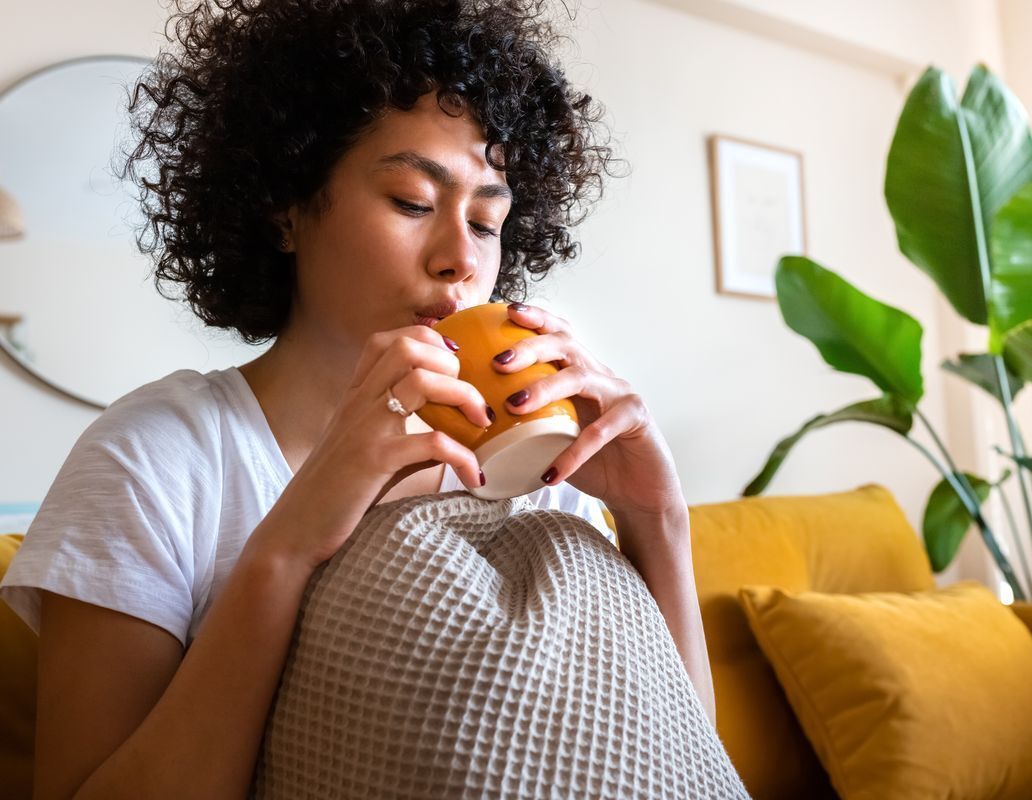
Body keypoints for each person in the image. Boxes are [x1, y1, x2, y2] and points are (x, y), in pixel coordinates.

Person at [0, 1, 715, 797]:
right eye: (412, 202)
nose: (459, 261)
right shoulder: (160, 457)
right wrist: (289, 545)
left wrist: (658, 521)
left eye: (486, 221)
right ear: (283, 208)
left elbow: (679, 766)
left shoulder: (548, 481)